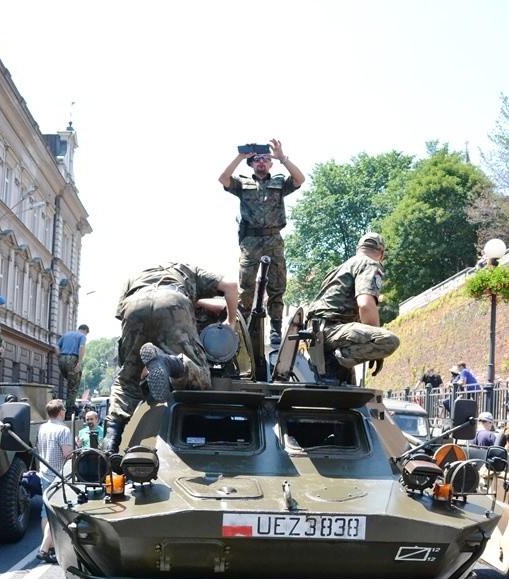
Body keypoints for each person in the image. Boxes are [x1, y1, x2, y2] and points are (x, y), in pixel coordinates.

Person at [102, 262, 238, 455]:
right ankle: (170, 362)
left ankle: (109, 445)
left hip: (134, 304)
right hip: (174, 302)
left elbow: (127, 316)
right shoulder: (190, 270)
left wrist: (139, 370)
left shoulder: (138, 274)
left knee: (126, 382)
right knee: (202, 379)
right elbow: (231, 286)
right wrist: (230, 323)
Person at [218, 139, 305, 345]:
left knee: (277, 286)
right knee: (246, 288)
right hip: (251, 241)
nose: (262, 163)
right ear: (251, 164)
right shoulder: (241, 184)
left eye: (266, 159)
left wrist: (282, 157)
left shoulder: (279, 183)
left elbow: (300, 178)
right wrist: (241, 156)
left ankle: (275, 329)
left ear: (271, 164)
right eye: (257, 160)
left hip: (274, 239)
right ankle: (243, 329)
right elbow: (223, 178)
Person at [306, 232, 400, 383]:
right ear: (381, 254)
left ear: (358, 249)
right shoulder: (370, 264)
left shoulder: (341, 268)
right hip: (332, 330)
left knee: (348, 388)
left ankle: (333, 360)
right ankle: (334, 359)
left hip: (317, 332)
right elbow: (365, 305)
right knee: (389, 340)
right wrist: (376, 348)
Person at [36, 399, 73, 563]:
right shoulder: (63, 430)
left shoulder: (42, 428)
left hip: (44, 473)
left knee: (45, 512)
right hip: (58, 475)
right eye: (64, 410)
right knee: (56, 513)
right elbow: (68, 454)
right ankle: (45, 548)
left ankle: (49, 547)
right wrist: (76, 446)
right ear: (60, 412)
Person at [54, 324, 90, 419]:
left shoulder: (66, 334)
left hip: (62, 360)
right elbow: (81, 348)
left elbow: (56, 347)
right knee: (73, 386)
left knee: (70, 381)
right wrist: (79, 363)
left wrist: (60, 357)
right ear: (85, 330)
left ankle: (68, 404)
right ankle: (69, 410)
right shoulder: (82, 336)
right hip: (72, 360)